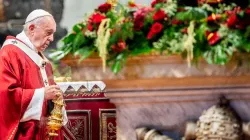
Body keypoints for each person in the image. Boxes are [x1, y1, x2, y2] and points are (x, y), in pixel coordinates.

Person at [0, 9, 67, 139]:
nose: (52, 39)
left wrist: (56, 97)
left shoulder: (44, 62)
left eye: (53, 34)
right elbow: (5, 96)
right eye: (48, 33)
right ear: (31, 28)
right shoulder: (10, 53)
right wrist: (42, 94)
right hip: (25, 134)